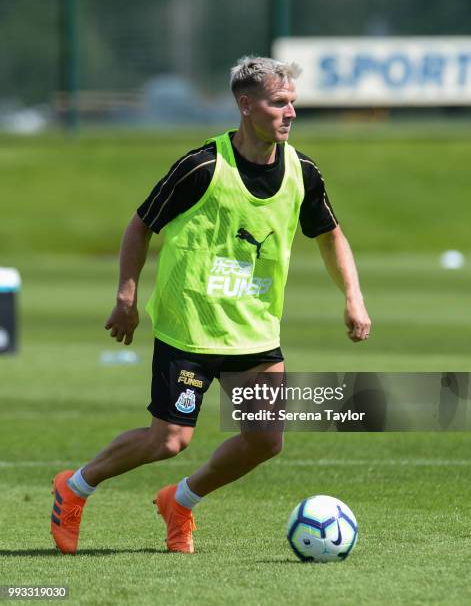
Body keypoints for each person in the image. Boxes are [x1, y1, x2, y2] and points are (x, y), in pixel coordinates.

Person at [50, 56, 371, 555]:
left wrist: (353, 297)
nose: (290, 113)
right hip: (190, 328)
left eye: (293, 103)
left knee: (266, 441)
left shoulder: (302, 172)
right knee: (169, 441)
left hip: (254, 331)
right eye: (278, 103)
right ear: (246, 106)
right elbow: (141, 225)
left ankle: (179, 502)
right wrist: (127, 296)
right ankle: (75, 488)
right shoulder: (201, 167)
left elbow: (331, 236)